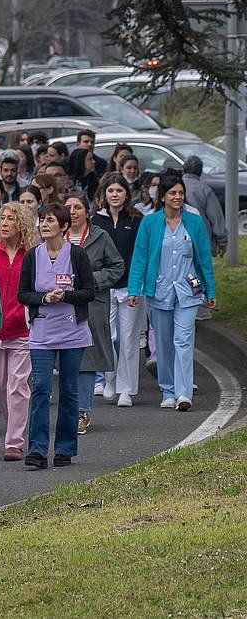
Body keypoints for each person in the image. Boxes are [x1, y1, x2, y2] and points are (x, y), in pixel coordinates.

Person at [127, 174, 217, 411]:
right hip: (159, 291)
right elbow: (140, 258)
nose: (177, 197)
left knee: (184, 340)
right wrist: (135, 289)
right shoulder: (150, 223)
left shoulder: (194, 221)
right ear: (163, 196)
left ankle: (184, 393)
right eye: (172, 193)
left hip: (188, 291)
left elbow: (204, 258)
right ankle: (168, 389)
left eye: (180, 193)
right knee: (165, 343)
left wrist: (210, 289)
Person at [18, 204, 95, 470]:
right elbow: (23, 294)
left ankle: (64, 448)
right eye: (42, 220)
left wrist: (66, 295)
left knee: (69, 389)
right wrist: (43, 298)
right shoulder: (32, 256)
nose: (44, 224)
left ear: (63, 226)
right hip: (42, 331)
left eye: (50, 220)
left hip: (72, 331)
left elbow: (89, 292)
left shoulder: (77, 254)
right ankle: (37, 450)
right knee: (40, 387)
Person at [0, 203, 38, 461]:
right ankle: (13, 421)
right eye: (2, 218)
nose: (4, 223)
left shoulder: (34, 254)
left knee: (19, 385)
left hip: (23, 329)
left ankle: (14, 441)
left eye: (10, 219)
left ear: (22, 224)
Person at [65, 194, 124, 436]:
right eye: (67, 207)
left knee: (87, 360)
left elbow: (117, 266)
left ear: (87, 211)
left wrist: (91, 281)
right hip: (62, 306)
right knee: (65, 359)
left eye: (77, 207)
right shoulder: (55, 237)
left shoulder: (100, 236)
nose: (72, 211)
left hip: (92, 304)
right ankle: (66, 411)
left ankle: (82, 411)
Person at [93, 174, 144, 407]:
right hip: (104, 289)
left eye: (119, 190)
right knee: (108, 337)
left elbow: (139, 255)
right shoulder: (96, 221)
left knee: (129, 338)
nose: (115, 194)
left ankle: (126, 388)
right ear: (104, 194)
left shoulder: (136, 219)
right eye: (111, 190)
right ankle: (109, 377)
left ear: (126, 193)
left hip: (130, 288)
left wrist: (136, 286)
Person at [182, 156, 228, 256]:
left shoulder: (174, 187)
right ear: (201, 171)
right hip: (201, 241)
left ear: (183, 169)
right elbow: (216, 218)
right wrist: (222, 241)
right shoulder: (205, 189)